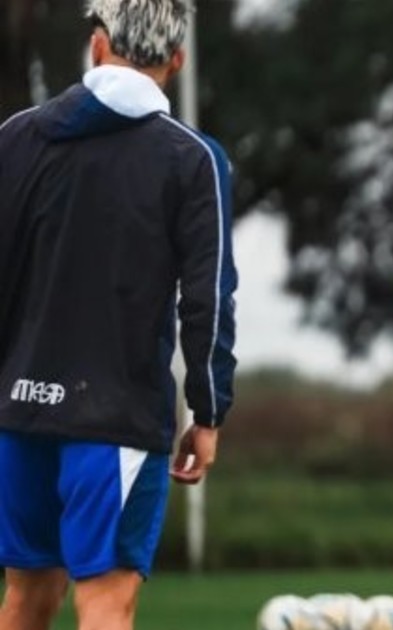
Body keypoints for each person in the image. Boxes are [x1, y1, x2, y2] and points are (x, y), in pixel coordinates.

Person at [0, 1, 237, 629]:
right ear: (176, 60)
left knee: (26, 597)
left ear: (99, 46)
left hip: (16, 409)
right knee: (106, 602)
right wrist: (208, 411)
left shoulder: (15, 137)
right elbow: (209, 298)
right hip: (117, 418)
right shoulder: (193, 158)